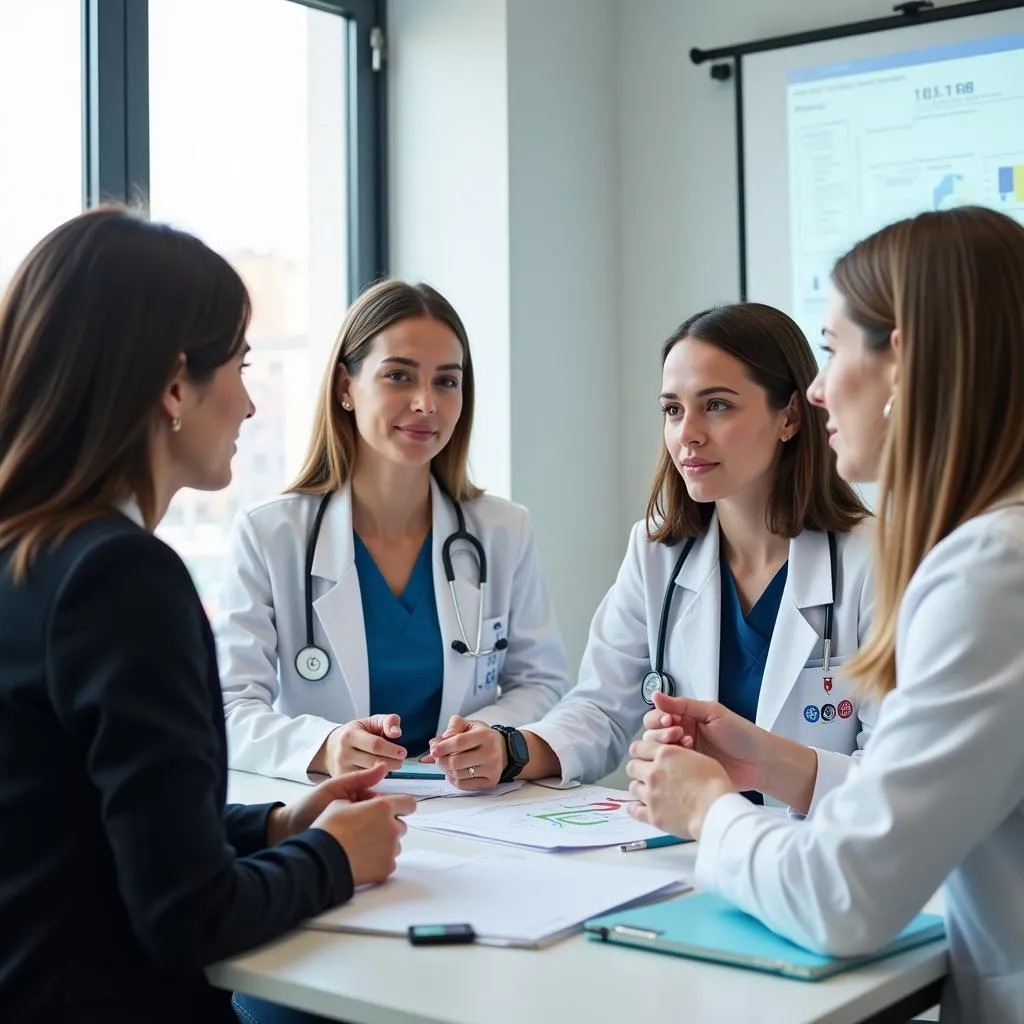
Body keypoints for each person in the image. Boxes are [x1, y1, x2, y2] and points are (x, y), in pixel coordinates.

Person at [0, 207, 415, 1024]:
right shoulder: (121, 577)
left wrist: (276, 825)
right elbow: (187, 916)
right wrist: (335, 856)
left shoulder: (24, 555)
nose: (251, 407)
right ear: (174, 384)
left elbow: (82, 817)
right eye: (240, 368)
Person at [627, 206, 1024, 1023]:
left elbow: (843, 899)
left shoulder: (991, 571)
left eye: (835, 348)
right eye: (673, 408)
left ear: (904, 359)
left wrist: (707, 809)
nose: (815, 387)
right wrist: (773, 763)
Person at [448, 303, 875, 798]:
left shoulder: (872, 562)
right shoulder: (659, 553)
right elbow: (602, 707)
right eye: (673, 409)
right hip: (695, 847)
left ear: (790, 417)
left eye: (717, 405)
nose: (687, 434)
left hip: (819, 853)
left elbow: (895, 776)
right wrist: (511, 751)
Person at [216, 279, 570, 789]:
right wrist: (326, 746)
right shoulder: (271, 536)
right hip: (334, 804)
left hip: (477, 808)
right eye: (399, 376)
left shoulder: (502, 530)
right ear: (345, 387)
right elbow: (228, 707)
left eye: (447, 381)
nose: (426, 403)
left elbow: (542, 683)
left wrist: (491, 737)